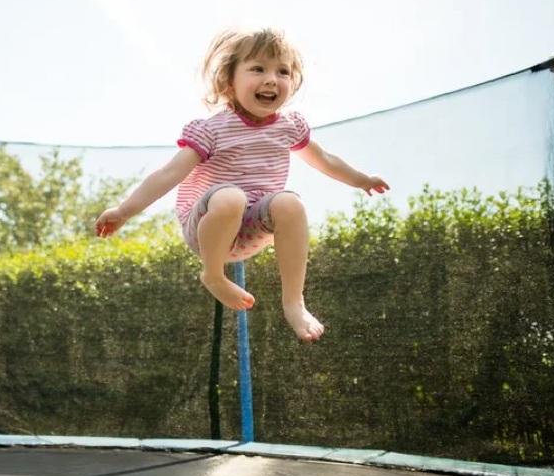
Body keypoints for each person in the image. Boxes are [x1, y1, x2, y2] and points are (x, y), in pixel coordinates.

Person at [94, 27, 388, 341]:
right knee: (231, 197)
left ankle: (293, 301)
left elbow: (324, 159)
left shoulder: (289, 127)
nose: (272, 79)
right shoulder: (212, 130)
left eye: (283, 71)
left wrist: (360, 179)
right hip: (206, 227)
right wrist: (125, 211)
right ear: (229, 82)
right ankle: (213, 274)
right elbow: (169, 174)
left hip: (251, 231)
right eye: (258, 69)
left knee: (290, 202)